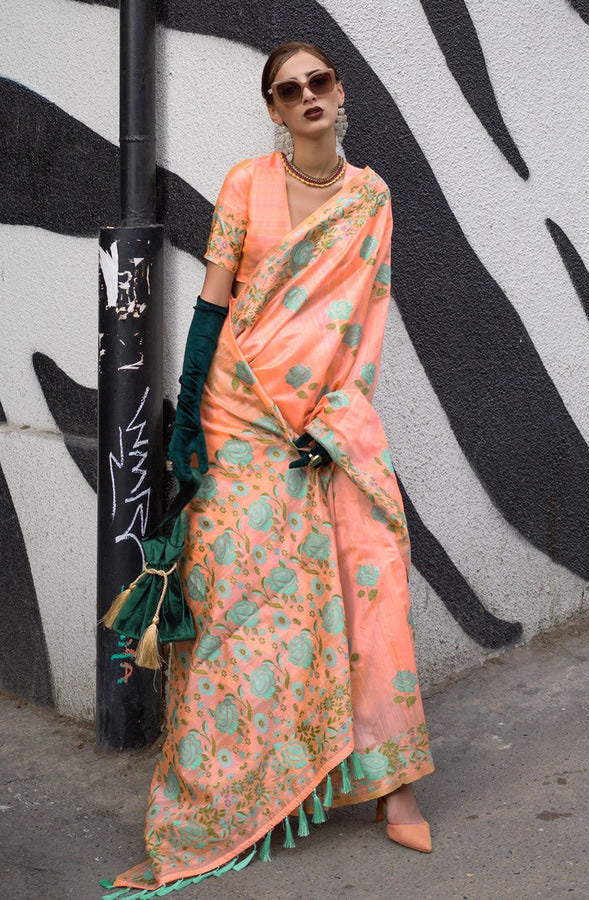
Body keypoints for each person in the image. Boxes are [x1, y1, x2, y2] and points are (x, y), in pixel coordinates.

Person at [112, 41, 434, 896]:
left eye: (318, 82)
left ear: (340, 94)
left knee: (369, 571)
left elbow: (361, 322)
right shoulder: (244, 185)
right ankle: (226, 788)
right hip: (239, 416)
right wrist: (188, 421)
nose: (307, 97)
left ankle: (392, 784)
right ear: (275, 110)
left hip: (325, 421)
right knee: (238, 603)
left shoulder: (371, 199)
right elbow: (216, 303)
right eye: (289, 91)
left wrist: (332, 416)